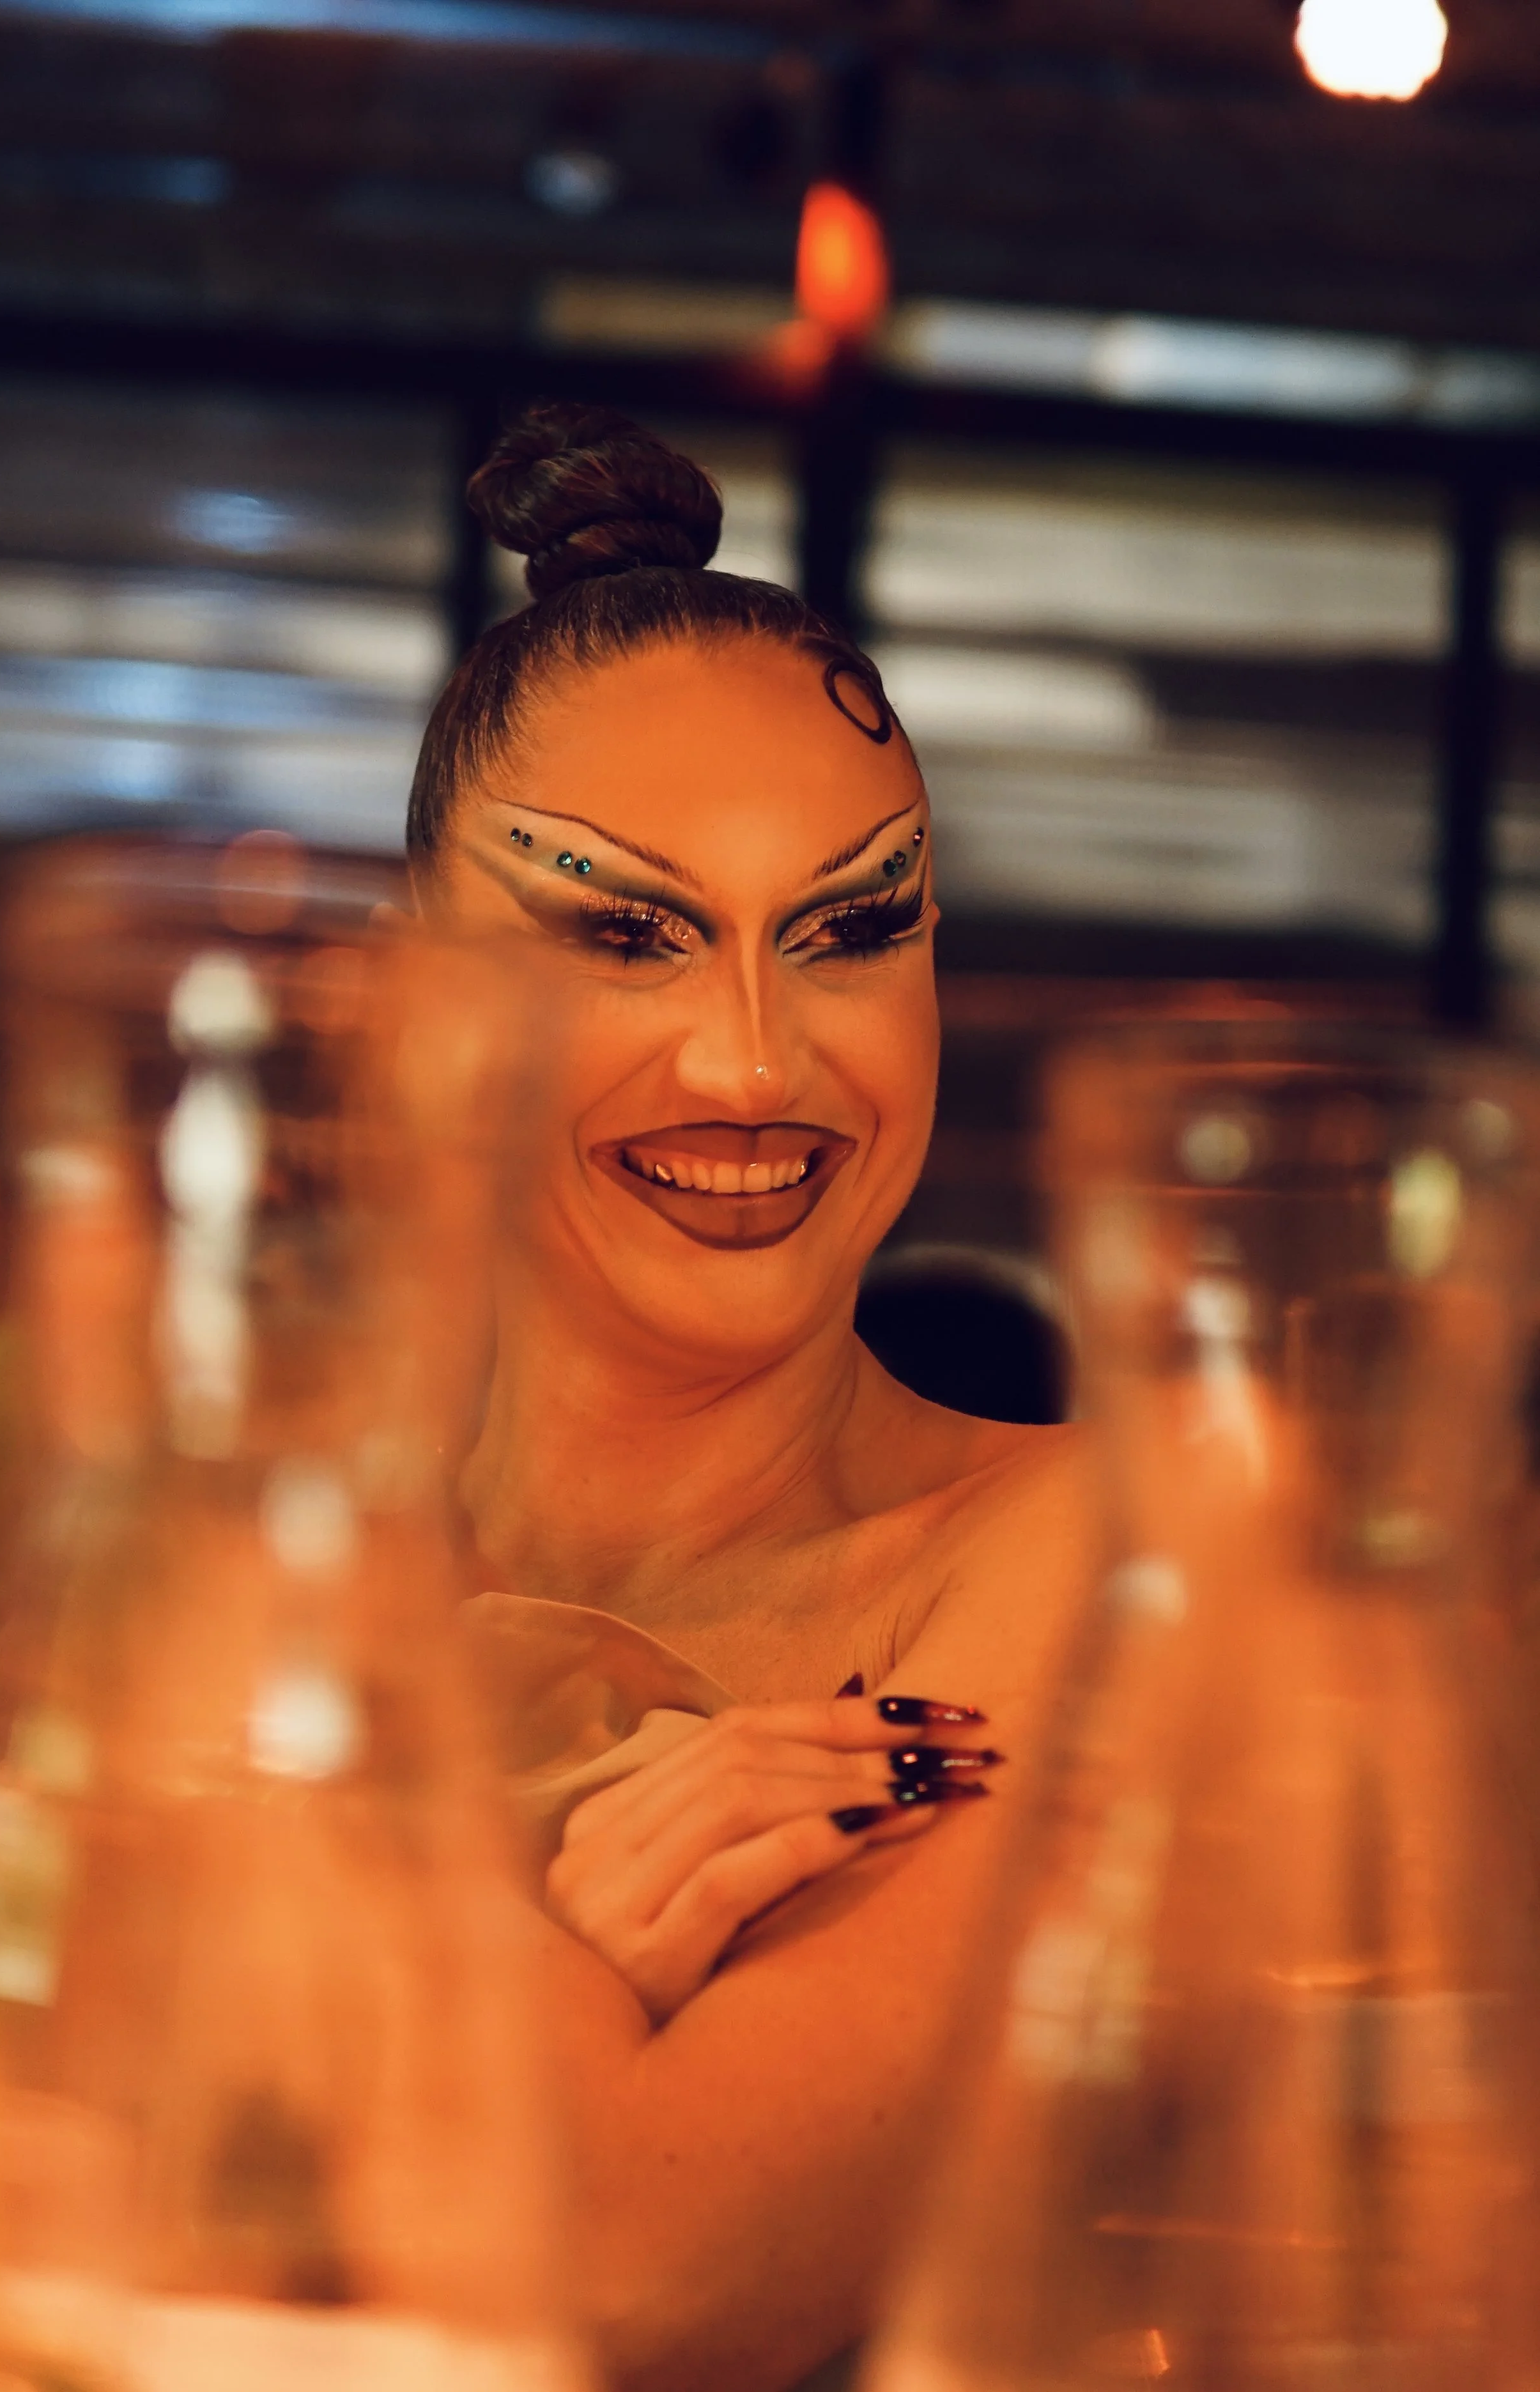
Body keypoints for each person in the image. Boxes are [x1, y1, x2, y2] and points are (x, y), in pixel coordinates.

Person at [407, 403, 1097, 2392]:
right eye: (624, 931)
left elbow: (641, 2276)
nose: (750, 1060)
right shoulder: (244, 1534)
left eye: (850, 929)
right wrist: (554, 1957)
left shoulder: (1085, 1556)